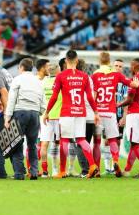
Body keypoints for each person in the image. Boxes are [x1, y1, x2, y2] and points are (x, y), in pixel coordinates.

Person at [43, 50, 100, 179]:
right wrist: (96, 112)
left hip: (67, 112)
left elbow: (54, 97)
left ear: (66, 61)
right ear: (77, 60)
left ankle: (62, 171)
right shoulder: (84, 76)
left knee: (64, 140)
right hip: (80, 111)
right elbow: (90, 97)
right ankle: (92, 165)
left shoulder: (61, 76)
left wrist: (47, 112)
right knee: (81, 139)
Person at [91, 52, 139, 177]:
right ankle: (116, 161)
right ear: (110, 62)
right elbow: (132, 84)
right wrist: (137, 84)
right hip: (111, 112)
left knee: (97, 142)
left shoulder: (95, 75)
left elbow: (93, 96)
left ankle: (96, 168)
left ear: (99, 61)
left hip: (99, 112)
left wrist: (94, 111)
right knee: (113, 140)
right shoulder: (116, 75)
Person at [5, 58, 46, 180]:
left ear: (21, 67)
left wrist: (7, 117)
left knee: (17, 142)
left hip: (20, 112)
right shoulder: (38, 81)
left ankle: (19, 174)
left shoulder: (17, 79)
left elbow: (11, 99)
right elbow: (44, 102)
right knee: (32, 144)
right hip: (34, 114)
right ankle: (34, 172)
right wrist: (38, 112)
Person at [116, 58, 139, 177]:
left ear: (134, 67)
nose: (130, 68)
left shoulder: (135, 80)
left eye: (131, 66)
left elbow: (130, 99)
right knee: (135, 143)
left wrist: (118, 104)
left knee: (134, 143)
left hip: (135, 114)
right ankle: (127, 170)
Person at [40, 63, 61, 177]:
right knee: (57, 143)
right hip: (58, 115)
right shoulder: (60, 82)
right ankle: (55, 169)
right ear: (58, 71)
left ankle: (44, 171)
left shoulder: (42, 83)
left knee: (44, 144)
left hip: (45, 116)